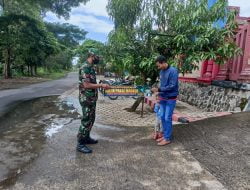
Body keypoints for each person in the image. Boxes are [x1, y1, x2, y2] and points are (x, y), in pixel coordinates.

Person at [77, 49, 110, 154]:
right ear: (92, 56)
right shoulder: (85, 67)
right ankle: (80, 143)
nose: (98, 59)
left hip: (91, 98)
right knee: (86, 120)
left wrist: (100, 83)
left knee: (91, 118)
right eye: (97, 57)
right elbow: (86, 85)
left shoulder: (91, 68)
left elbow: (91, 82)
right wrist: (101, 85)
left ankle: (86, 138)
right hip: (86, 98)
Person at [151, 55, 179, 146]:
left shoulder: (173, 71)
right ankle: (165, 135)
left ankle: (167, 138)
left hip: (170, 99)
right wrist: (158, 93)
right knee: (162, 116)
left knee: (167, 117)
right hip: (162, 98)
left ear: (163, 62)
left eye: (158, 65)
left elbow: (172, 86)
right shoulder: (161, 72)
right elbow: (162, 84)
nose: (158, 67)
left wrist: (159, 90)